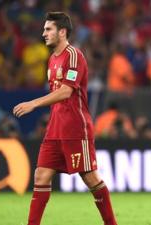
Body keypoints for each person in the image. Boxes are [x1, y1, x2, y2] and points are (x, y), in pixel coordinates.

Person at [13, 12, 117, 225]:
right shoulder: (52, 59)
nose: (44, 34)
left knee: (91, 179)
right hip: (55, 129)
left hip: (76, 128)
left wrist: (33, 103)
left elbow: (66, 92)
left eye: (48, 29)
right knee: (41, 177)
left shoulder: (74, 55)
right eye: (44, 29)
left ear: (62, 31)